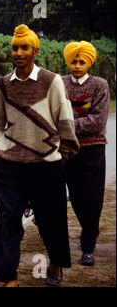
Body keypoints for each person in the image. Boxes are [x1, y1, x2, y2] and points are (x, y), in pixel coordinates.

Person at [0, 24, 79, 287]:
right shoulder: (2, 85)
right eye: (15, 48)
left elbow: (64, 120)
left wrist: (61, 155)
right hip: (10, 167)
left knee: (52, 221)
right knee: (7, 222)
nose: (18, 52)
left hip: (46, 166)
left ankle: (55, 262)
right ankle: (8, 278)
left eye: (24, 47)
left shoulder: (52, 81)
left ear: (35, 50)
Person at [62, 41, 110, 267]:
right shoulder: (59, 84)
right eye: (74, 61)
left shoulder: (100, 85)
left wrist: (67, 124)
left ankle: (88, 247)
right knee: (77, 197)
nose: (77, 66)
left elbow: (98, 121)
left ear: (89, 63)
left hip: (93, 148)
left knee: (93, 198)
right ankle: (91, 228)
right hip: (68, 149)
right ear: (68, 62)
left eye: (82, 62)